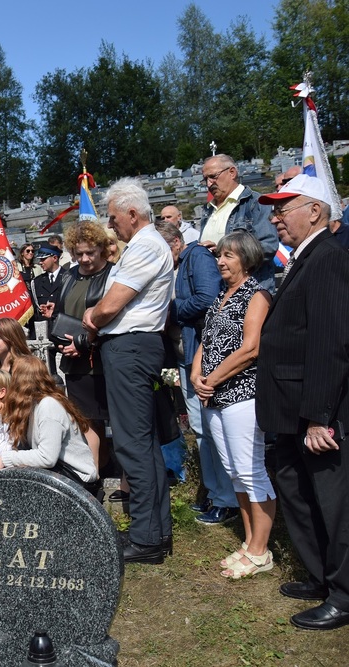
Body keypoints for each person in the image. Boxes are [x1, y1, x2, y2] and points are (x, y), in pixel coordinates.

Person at [256, 174, 349, 630]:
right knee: (297, 494)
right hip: (287, 409)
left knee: (332, 503)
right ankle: (320, 577)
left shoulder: (328, 258)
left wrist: (318, 418)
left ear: (314, 211)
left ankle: (345, 594)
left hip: (312, 412)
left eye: (283, 207)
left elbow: (331, 344)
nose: (275, 217)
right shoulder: (304, 257)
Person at [83, 177, 174, 565]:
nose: (111, 225)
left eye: (114, 217)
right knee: (142, 443)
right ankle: (154, 529)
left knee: (133, 444)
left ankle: (146, 537)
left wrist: (91, 315)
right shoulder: (145, 245)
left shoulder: (145, 246)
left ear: (132, 214)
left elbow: (110, 306)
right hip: (133, 346)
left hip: (130, 346)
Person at [191, 231, 275, 579]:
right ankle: (250, 539)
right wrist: (197, 373)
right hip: (214, 399)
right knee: (234, 472)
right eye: (219, 255)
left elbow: (250, 348)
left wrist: (212, 379)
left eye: (228, 256)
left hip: (241, 394)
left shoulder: (256, 294)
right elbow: (206, 341)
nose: (220, 262)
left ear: (247, 258)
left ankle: (261, 550)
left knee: (251, 469)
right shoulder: (221, 297)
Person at [166, 223, 238, 524]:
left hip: (201, 352)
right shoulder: (184, 261)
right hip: (190, 356)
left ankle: (228, 499)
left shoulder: (196, 257)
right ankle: (215, 494)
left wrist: (170, 308)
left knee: (211, 431)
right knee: (200, 428)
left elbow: (209, 299)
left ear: (176, 242)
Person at [0, 356, 98, 494]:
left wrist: (7, 459)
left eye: (13, 377)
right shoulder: (32, 406)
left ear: (22, 382)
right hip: (58, 474)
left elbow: (47, 458)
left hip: (76, 479)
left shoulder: (49, 406)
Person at [53, 221, 114, 472]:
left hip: (102, 357)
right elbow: (61, 312)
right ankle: (94, 474)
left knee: (114, 419)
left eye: (90, 252)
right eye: (79, 254)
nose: (85, 258)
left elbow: (113, 317)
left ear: (101, 248)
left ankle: (115, 473)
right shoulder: (69, 275)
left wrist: (85, 343)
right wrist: (62, 343)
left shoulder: (113, 275)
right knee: (87, 420)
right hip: (75, 360)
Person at [198, 153, 279, 293]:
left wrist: (224, 252)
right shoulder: (208, 210)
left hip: (249, 293)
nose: (209, 184)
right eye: (205, 179)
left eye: (213, 176)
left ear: (232, 172)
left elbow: (268, 246)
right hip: (217, 293)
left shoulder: (255, 203)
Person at [31, 244, 69, 379]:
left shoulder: (68, 277)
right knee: (48, 375)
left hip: (64, 330)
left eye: (43, 259)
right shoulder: (36, 282)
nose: (40, 262)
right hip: (44, 333)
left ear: (54, 258)